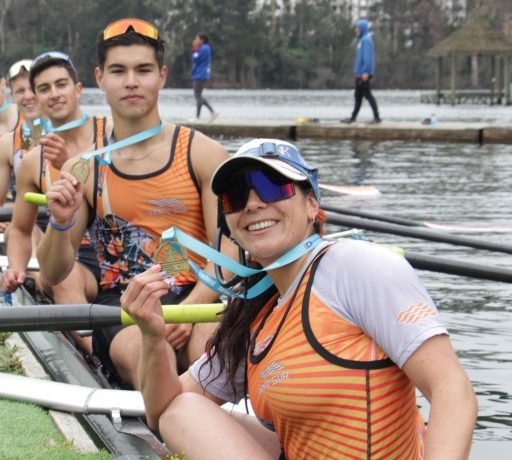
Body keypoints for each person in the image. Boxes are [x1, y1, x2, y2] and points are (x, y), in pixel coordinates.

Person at [121, 138, 477, 458]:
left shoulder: (358, 266)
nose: (254, 204)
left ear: (312, 206)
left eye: (272, 186)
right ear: (229, 225)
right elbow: (162, 411)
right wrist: (153, 334)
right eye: (236, 196)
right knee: (184, 410)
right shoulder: (253, 312)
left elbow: (452, 390)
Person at [38, 19, 230, 387]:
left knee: (212, 360)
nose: (131, 81)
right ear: (99, 78)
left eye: (143, 70)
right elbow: (52, 273)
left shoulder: (205, 155)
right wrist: (60, 224)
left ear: (161, 76)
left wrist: (187, 313)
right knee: (146, 359)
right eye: (118, 71)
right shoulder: (83, 168)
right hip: (123, 306)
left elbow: (229, 259)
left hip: (200, 298)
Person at [2, 51, 109, 353]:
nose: (55, 94)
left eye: (61, 85)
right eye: (45, 88)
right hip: (77, 261)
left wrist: (69, 167)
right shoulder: (32, 161)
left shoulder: (114, 135)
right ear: (35, 97)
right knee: (63, 276)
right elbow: (21, 230)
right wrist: (16, 267)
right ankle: (98, 354)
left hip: (122, 250)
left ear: (78, 89)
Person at [0, 59, 43, 232]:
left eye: (33, 89)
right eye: (20, 91)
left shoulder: (71, 132)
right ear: (13, 96)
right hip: (29, 221)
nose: (28, 96)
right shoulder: (6, 143)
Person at [342, 19, 381, 124]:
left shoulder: (366, 40)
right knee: (358, 96)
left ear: (362, 29)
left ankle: (377, 118)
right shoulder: (361, 40)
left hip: (364, 74)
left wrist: (366, 72)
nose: (356, 30)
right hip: (360, 73)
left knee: (367, 95)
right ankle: (353, 117)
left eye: (357, 28)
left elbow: (367, 58)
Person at [190, 34, 217, 122]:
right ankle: (212, 113)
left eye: (196, 39)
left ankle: (200, 117)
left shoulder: (205, 48)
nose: (195, 40)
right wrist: (195, 49)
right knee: (198, 96)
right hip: (199, 74)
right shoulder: (202, 48)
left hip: (201, 75)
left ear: (201, 40)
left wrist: (194, 48)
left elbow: (196, 58)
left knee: (197, 96)